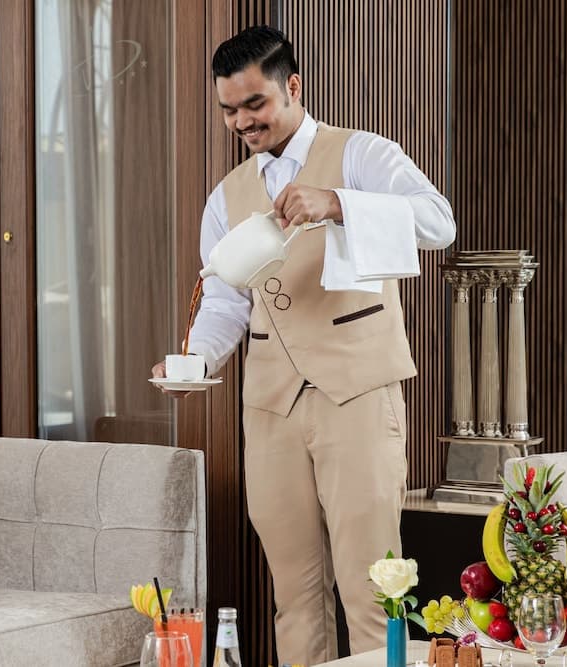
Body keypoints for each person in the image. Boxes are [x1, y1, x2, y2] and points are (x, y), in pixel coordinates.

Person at [151, 26, 456, 665]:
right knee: (293, 595)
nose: (241, 121)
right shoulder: (226, 196)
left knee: (373, 587)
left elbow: (438, 222)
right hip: (271, 407)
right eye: (228, 110)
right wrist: (196, 360)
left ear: (293, 85)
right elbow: (225, 300)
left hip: (357, 394)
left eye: (254, 103)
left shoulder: (361, 154)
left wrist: (340, 203)